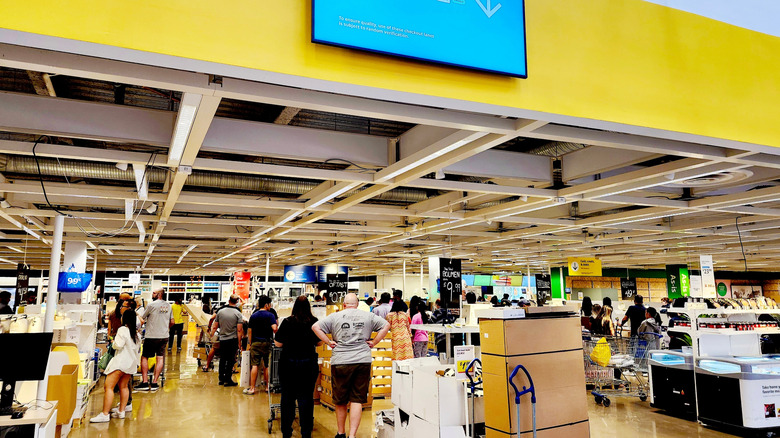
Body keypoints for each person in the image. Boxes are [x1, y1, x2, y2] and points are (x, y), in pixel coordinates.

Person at [312, 293, 390, 438]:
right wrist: (374, 342)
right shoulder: (368, 316)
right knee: (356, 400)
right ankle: (352, 435)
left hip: (341, 361)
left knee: (340, 400)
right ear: (357, 304)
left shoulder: (335, 316)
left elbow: (315, 327)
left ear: (344, 305)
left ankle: (341, 433)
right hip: (362, 361)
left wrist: (328, 342)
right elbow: (386, 325)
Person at [274, 296, 321, 438]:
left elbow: (278, 344)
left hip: (288, 364)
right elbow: (319, 343)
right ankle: (306, 432)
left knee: (287, 398)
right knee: (306, 398)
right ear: (309, 307)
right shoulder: (314, 322)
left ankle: (286, 432)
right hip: (308, 364)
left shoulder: (287, 322)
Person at [90, 309, 140, 423]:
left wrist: (113, 342)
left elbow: (118, 345)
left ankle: (105, 414)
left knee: (108, 387)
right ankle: (121, 411)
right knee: (124, 386)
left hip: (120, 363)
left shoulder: (123, 330)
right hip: (130, 364)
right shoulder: (136, 334)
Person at [136, 289, 172, 392]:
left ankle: (145, 382)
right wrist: (165, 328)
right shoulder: (169, 306)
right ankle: (155, 382)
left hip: (151, 336)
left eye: (154, 293)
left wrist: (137, 316)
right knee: (160, 358)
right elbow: (172, 321)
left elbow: (142, 319)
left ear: (159, 294)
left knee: (145, 357)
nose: (152, 294)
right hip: (164, 336)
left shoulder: (151, 305)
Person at [244, 295, 277, 395]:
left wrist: (250, 343)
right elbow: (275, 328)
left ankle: (252, 388)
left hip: (255, 343)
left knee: (254, 365)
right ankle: (267, 387)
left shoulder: (253, 316)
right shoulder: (270, 315)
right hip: (267, 343)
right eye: (270, 304)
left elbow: (249, 331)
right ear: (266, 305)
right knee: (266, 366)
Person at [210, 294, 244, 387]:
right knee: (230, 360)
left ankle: (221, 378)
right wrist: (239, 342)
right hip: (232, 340)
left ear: (229, 300)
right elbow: (239, 330)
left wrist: (211, 335)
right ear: (237, 302)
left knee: (222, 358)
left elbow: (215, 326)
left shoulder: (220, 312)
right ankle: (228, 379)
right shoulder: (238, 313)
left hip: (223, 339)